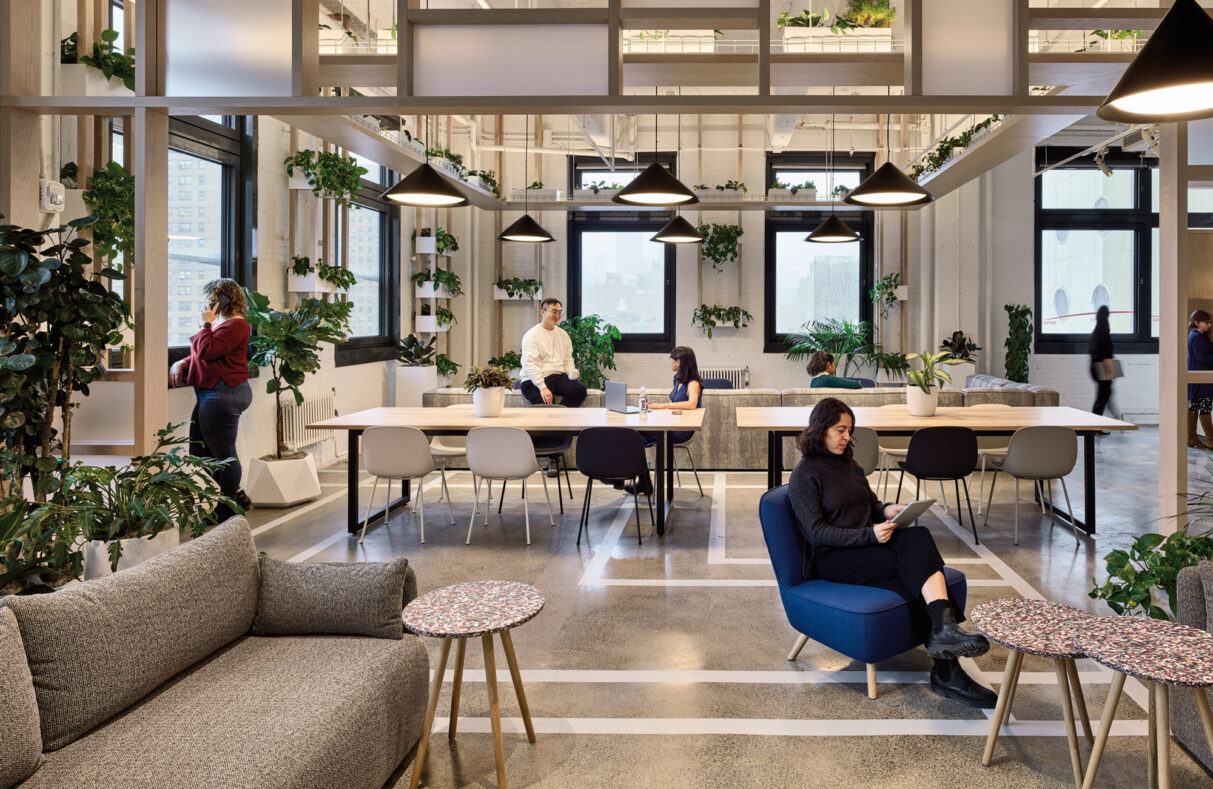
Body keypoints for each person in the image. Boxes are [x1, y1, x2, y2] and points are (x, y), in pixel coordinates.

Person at [787, 397, 996, 708]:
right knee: (915, 563)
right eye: (840, 430)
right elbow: (816, 533)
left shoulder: (848, 464)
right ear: (820, 430)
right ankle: (947, 663)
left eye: (850, 430)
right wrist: (868, 534)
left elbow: (870, 506)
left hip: (866, 547)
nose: (847, 437)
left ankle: (945, 640)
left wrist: (888, 510)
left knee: (917, 546)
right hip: (836, 559)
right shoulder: (805, 474)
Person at [169, 278, 253, 517]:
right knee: (200, 453)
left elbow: (208, 350)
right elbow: (205, 353)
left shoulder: (236, 325)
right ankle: (234, 494)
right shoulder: (223, 325)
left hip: (223, 394)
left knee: (224, 453)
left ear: (223, 299)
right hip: (211, 395)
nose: (207, 303)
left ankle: (228, 511)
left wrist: (206, 324)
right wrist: (181, 362)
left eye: (211, 298)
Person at [618, 346, 704, 496]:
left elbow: (691, 404)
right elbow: (676, 403)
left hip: (681, 430)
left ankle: (644, 481)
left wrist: (663, 406)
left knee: (636, 437)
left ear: (678, 362)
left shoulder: (693, 383)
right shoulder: (678, 379)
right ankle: (644, 479)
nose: (670, 362)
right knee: (634, 434)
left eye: (671, 360)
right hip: (672, 423)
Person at [520, 298, 587, 408]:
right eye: (554, 312)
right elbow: (530, 364)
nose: (558, 315)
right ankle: (553, 417)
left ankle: (559, 416)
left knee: (579, 390)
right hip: (533, 379)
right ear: (543, 312)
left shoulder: (563, 334)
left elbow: (567, 360)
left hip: (557, 376)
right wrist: (542, 387)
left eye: (560, 312)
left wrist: (572, 372)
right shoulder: (531, 335)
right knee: (543, 404)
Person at [1188, 309, 1213, 449]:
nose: (1208, 325)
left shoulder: (1199, 335)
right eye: (1205, 322)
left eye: (1209, 322)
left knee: (1195, 406)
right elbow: (1202, 357)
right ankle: (1211, 440)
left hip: (1198, 377)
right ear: (1196, 322)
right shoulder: (1197, 337)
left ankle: (1191, 438)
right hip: (1202, 377)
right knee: (1206, 407)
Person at [1088, 305, 1115, 417]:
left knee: (1103, 395)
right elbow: (1107, 355)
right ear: (1107, 316)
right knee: (1103, 396)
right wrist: (1111, 371)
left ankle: (1097, 422)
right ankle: (1095, 423)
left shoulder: (1095, 333)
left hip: (1095, 368)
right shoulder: (1105, 333)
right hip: (1103, 368)